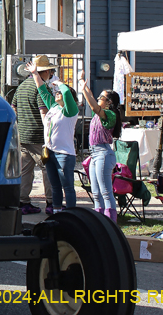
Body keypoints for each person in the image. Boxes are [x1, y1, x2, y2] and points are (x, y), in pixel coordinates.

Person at [27, 61, 78, 212]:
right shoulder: (54, 107)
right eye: (56, 92)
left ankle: (71, 214)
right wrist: (35, 73)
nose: (56, 93)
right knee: (54, 186)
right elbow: (42, 90)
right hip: (50, 152)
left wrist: (61, 84)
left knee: (67, 187)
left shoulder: (70, 111)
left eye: (59, 93)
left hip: (64, 154)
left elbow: (67, 93)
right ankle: (56, 211)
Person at [11, 55, 54, 215]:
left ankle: (23, 203)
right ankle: (51, 202)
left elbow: (13, 108)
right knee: (47, 169)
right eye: (50, 70)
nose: (50, 73)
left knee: (25, 170)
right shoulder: (41, 87)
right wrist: (49, 136)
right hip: (38, 136)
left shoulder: (21, 86)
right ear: (45, 71)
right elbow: (44, 113)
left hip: (22, 135)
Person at [78, 72, 123, 222]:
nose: (98, 100)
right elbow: (91, 98)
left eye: (101, 98)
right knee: (96, 192)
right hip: (95, 154)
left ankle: (111, 223)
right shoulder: (101, 113)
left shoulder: (110, 115)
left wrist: (84, 89)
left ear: (109, 102)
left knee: (105, 191)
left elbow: (93, 105)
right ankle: (100, 222)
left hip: (104, 153)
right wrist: (81, 82)